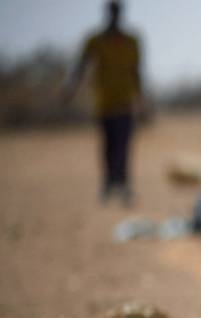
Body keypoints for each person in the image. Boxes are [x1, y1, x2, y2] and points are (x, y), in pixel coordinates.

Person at [63, 0, 144, 205]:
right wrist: (71, 88)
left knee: (124, 145)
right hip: (104, 102)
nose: (115, 17)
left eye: (117, 12)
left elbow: (137, 71)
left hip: (125, 101)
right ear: (107, 13)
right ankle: (108, 184)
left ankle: (124, 185)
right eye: (112, 12)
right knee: (108, 145)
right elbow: (81, 65)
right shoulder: (96, 41)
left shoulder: (131, 41)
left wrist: (141, 99)